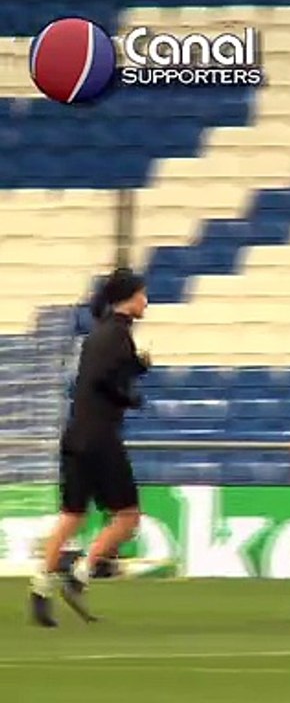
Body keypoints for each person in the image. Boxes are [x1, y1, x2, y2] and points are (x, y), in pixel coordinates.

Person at [31, 268, 150, 627]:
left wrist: (134, 370)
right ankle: (79, 576)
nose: (147, 301)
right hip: (100, 438)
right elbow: (105, 381)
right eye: (142, 294)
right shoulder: (119, 335)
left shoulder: (96, 335)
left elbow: (95, 377)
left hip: (75, 434)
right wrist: (130, 397)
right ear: (129, 298)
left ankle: (40, 590)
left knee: (71, 516)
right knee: (128, 517)